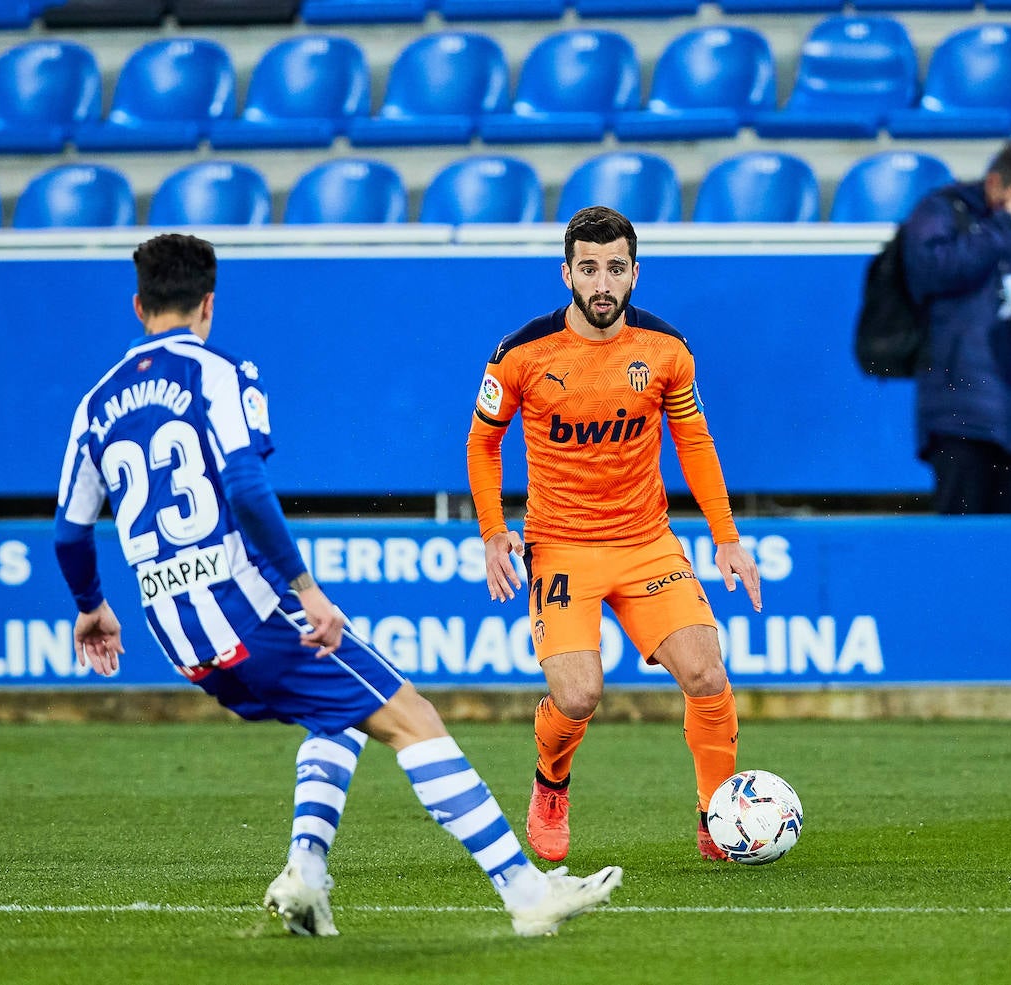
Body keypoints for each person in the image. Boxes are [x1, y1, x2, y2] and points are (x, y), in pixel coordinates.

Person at [53, 232, 621, 938]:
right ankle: (523, 890)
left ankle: (305, 873)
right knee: (413, 716)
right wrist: (306, 589)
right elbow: (245, 485)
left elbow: (70, 534)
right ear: (208, 302)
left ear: (139, 304)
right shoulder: (220, 373)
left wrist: (90, 607)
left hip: (177, 633)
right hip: (250, 607)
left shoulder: (94, 403)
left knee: (340, 712)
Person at [465, 206, 763, 864]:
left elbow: (693, 439)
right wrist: (493, 531)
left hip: (645, 541)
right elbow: (483, 442)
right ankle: (551, 782)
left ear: (635, 274)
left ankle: (717, 816)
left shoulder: (666, 350)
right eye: (590, 268)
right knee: (577, 694)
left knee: (707, 672)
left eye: (616, 269)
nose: (603, 283)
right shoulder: (520, 355)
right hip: (562, 544)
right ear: (566, 272)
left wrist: (726, 536)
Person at [903, 140, 1011, 515]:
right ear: (995, 183)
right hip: (958, 406)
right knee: (960, 539)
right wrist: (1005, 225)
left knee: (999, 545)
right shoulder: (942, 211)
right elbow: (933, 271)